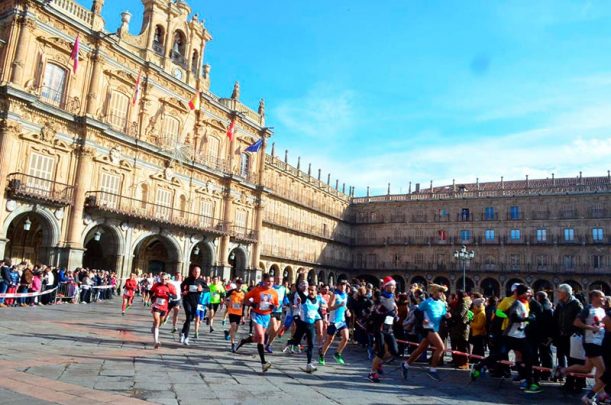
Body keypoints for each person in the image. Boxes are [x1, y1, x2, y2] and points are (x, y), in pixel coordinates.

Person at [557, 290, 606, 404]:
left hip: (599, 342)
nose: (604, 299)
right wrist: (591, 328)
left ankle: (563, 370)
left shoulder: (602, 310)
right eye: (602, 297)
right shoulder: (588, 309)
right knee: (603, 370)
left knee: (587, 368)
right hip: (591, 342)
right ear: (594, 297)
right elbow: (576, 322)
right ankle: (595, 394)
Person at [401, 283, 450, 382]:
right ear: (434, 292)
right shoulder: (427, 302)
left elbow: (443, 315)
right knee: (441, 347)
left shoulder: (442, 304)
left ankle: (405, 365)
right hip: (427, 328)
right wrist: (423, 319)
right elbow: (417, 312)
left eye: (442, 292)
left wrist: (447, 316)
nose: (441, 293)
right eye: (440, 291)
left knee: (421, 349)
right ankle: (432, 370)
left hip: (435, 327)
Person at [552, 283, 585, 393]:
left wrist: (574, 332)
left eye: (559, 292)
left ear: (565, 293)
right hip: (563, 336)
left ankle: (579, 383)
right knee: (568, 359)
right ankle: (569, 382)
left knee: (575, 360)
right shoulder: (560, 304)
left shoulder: (576, 304)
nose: (557, 294)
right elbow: (556, 318)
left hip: (572, 336)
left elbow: (580, 319)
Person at [243, 274, 279, 372]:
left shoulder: (274, 292)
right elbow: (245, 300)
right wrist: (252, 304)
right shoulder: (256, 290)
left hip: (266, 316)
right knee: (261, 336)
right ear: (263, 281)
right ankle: (263, 363)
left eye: (272, 282)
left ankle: (244, 341)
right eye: (268, 281)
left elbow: (276, 305)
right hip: (257, 314)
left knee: (257, 338)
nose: (270, 283)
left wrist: (273, 307)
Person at [285, 284, 322, 373]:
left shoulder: (318, 300)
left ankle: (309, 364)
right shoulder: (305, 298)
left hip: (311, 325)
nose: (311, 292)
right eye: (309, 290)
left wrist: (323, 319)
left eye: (313, 290)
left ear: (316, 291)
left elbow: (318, 311)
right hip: (302, 325)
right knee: (296, 342)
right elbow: (298, 289)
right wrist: (300, 278)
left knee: (311, 345)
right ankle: (290, 342)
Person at [368, 276, 399, 382]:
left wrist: (395, 315)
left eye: (395, 285)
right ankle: (372, 373)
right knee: (381, 352)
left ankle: (379, 362)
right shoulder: (380, 299)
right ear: (386, 286)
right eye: (392, 285)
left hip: (389, 328)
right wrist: (386, 313)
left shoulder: (392, 297)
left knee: (395, 351)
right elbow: (374, 313)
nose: (394, 287)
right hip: (379, 328)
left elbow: (393, 312)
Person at [319, 280, 350, 366]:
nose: (343, 287)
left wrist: (347, 310)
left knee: (346, 338)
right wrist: (339, 305)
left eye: (344, 285)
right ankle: (322, 355)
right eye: (341, 285)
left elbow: (344, 305)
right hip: (333, 321)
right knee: (329, 340)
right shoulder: (335, 295)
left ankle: (337, 354)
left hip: (341, 320)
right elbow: (329, 308)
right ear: (338, 286)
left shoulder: (345, 295)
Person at [149, 273, 178, 349]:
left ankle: (154, 327)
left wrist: (170, 295)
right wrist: (152, 298)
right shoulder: (156, 285)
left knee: (161, 322)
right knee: (157, 321)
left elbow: (175, 296)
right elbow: (151, 291)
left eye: (165, 279)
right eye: (162, 279)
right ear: (160, 278)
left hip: (165, 307)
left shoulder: (170, 286)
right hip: (156, 305)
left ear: (168, 279)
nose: (163, 280)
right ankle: (156, 341)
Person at [180, 266, 206, 345]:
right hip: (187, 300)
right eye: (195, 271)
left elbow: (207, 288)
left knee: (190, 319)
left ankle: (182, 332)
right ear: (192, 272)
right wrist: (184, 291)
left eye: (198, 272)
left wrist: (202, 289)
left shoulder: (201, 281)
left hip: (195, 301)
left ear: (200, 273)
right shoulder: (188, 279)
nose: (196, 273)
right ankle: (186, 337)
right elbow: (182, 286)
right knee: (188, 317)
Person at [265, 275, 288, 353]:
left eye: (280, 279)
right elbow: (267, 298)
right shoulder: (271, 288)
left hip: (279, 311)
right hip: (272, 310)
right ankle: (266, 335)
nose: (279, 280)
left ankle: (268, 344)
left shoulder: (283, 289)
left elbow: (285, 298)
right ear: (275, 279)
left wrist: (287, 303)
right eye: (278, 279)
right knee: (274, 327)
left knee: (276, 330)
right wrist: (271, 304)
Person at [225, 279, 245, 352]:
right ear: (236, 284)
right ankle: (232, 344)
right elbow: (225, 298)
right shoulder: (231, 291)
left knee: (236, 328)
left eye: (241, 284)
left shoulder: (244, 293)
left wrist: (243, 317)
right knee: (233, 326)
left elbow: (244, 305)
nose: (240, 285)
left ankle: (228, 333)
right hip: (232, 311)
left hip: (239, 313)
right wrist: (227, 303)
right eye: (239, 284)